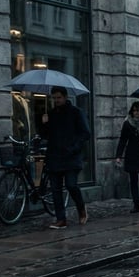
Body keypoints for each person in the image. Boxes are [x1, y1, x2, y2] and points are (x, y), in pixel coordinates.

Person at [41, 86, 90, 229]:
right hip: (54, 156)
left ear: (65, 97)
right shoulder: (51, 114)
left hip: (71, 157)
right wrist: (44, 123)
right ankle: (61, 219)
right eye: (54, 98)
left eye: (59, 97)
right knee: (55, 189)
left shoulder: (76, 112)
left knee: (71, 185)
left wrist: (74, 147)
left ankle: (81, 208)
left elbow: (85, 133)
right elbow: (45, 135)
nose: (56, 100)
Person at [114, 101, 139, 213]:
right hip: (132, 154)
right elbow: (123, 139)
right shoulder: (128, 123)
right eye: (134, 110)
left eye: (138, 110)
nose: (136, 113)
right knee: (133, 181)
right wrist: (118, 156)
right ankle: (136, 204)